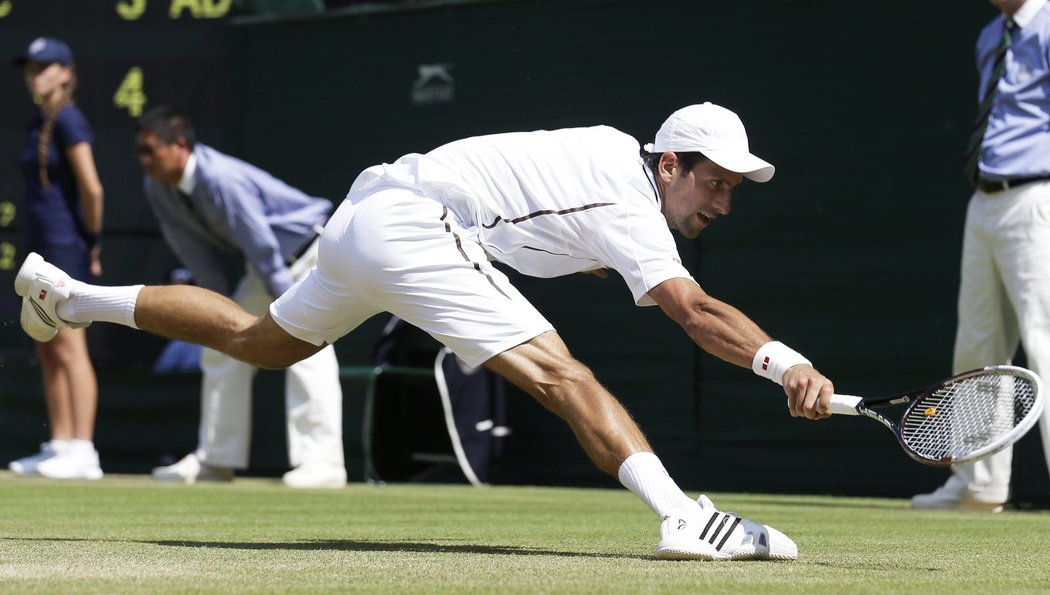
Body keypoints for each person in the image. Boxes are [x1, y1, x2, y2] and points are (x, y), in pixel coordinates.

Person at [15, 102, 835, 561]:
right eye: (715, 183)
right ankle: (679, 518)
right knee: (566, 376)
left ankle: (73, 296)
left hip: (366, 212)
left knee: (261, 340)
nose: (722, 204)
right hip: (420, 223)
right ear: (670, 165)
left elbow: (561, 238)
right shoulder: (628, 195)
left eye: (734, 190)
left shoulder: (602, 157)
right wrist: (784, 361)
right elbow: (693, 310)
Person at [132, 106, 346, 489]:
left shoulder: (221, 179)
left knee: (307, 348)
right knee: (220, 341)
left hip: (311, 254)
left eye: (150, 150)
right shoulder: (158, 187)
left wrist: (296, 317)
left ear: (179, 145)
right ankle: (217, 459)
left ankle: (324, 463)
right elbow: (192, 250)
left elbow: (261, 245)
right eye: (140, 152)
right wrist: (213, 305)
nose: (143, 160)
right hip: (269, 265)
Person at [911, 0, 1050, 512]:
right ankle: (978, 485)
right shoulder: (991, 35)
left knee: (1045, 340)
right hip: (985, 199)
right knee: (975, 348)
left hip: (1039, 196)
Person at [7, 37, 104, 480]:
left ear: (66, 72)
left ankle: (84, 450)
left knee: (68, 345)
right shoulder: (39, 121)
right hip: (40, 250)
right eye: (31, 67)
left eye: (45, 67)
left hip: (65, 248)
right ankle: (60, 444)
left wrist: (92, 241)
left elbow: (92, 188)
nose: (36, 73)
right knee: (46, 345)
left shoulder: (70, 120)